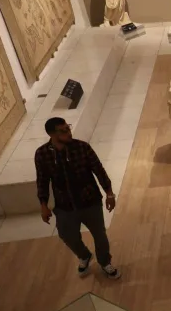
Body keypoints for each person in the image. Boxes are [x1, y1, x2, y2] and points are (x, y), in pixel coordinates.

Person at [34, 118, 120, 279]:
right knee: (67, 236)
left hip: (90, 202)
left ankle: (104, 262)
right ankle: (85, 255)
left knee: (100, 235)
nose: (68, 132)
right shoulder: (42, 154)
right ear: (52, 134)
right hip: (64, 205)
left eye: (68, 128)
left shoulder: (82, 147)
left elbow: (99, 170)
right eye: (63, 130)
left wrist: (109, 193)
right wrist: (43, 204)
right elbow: (42, 180)